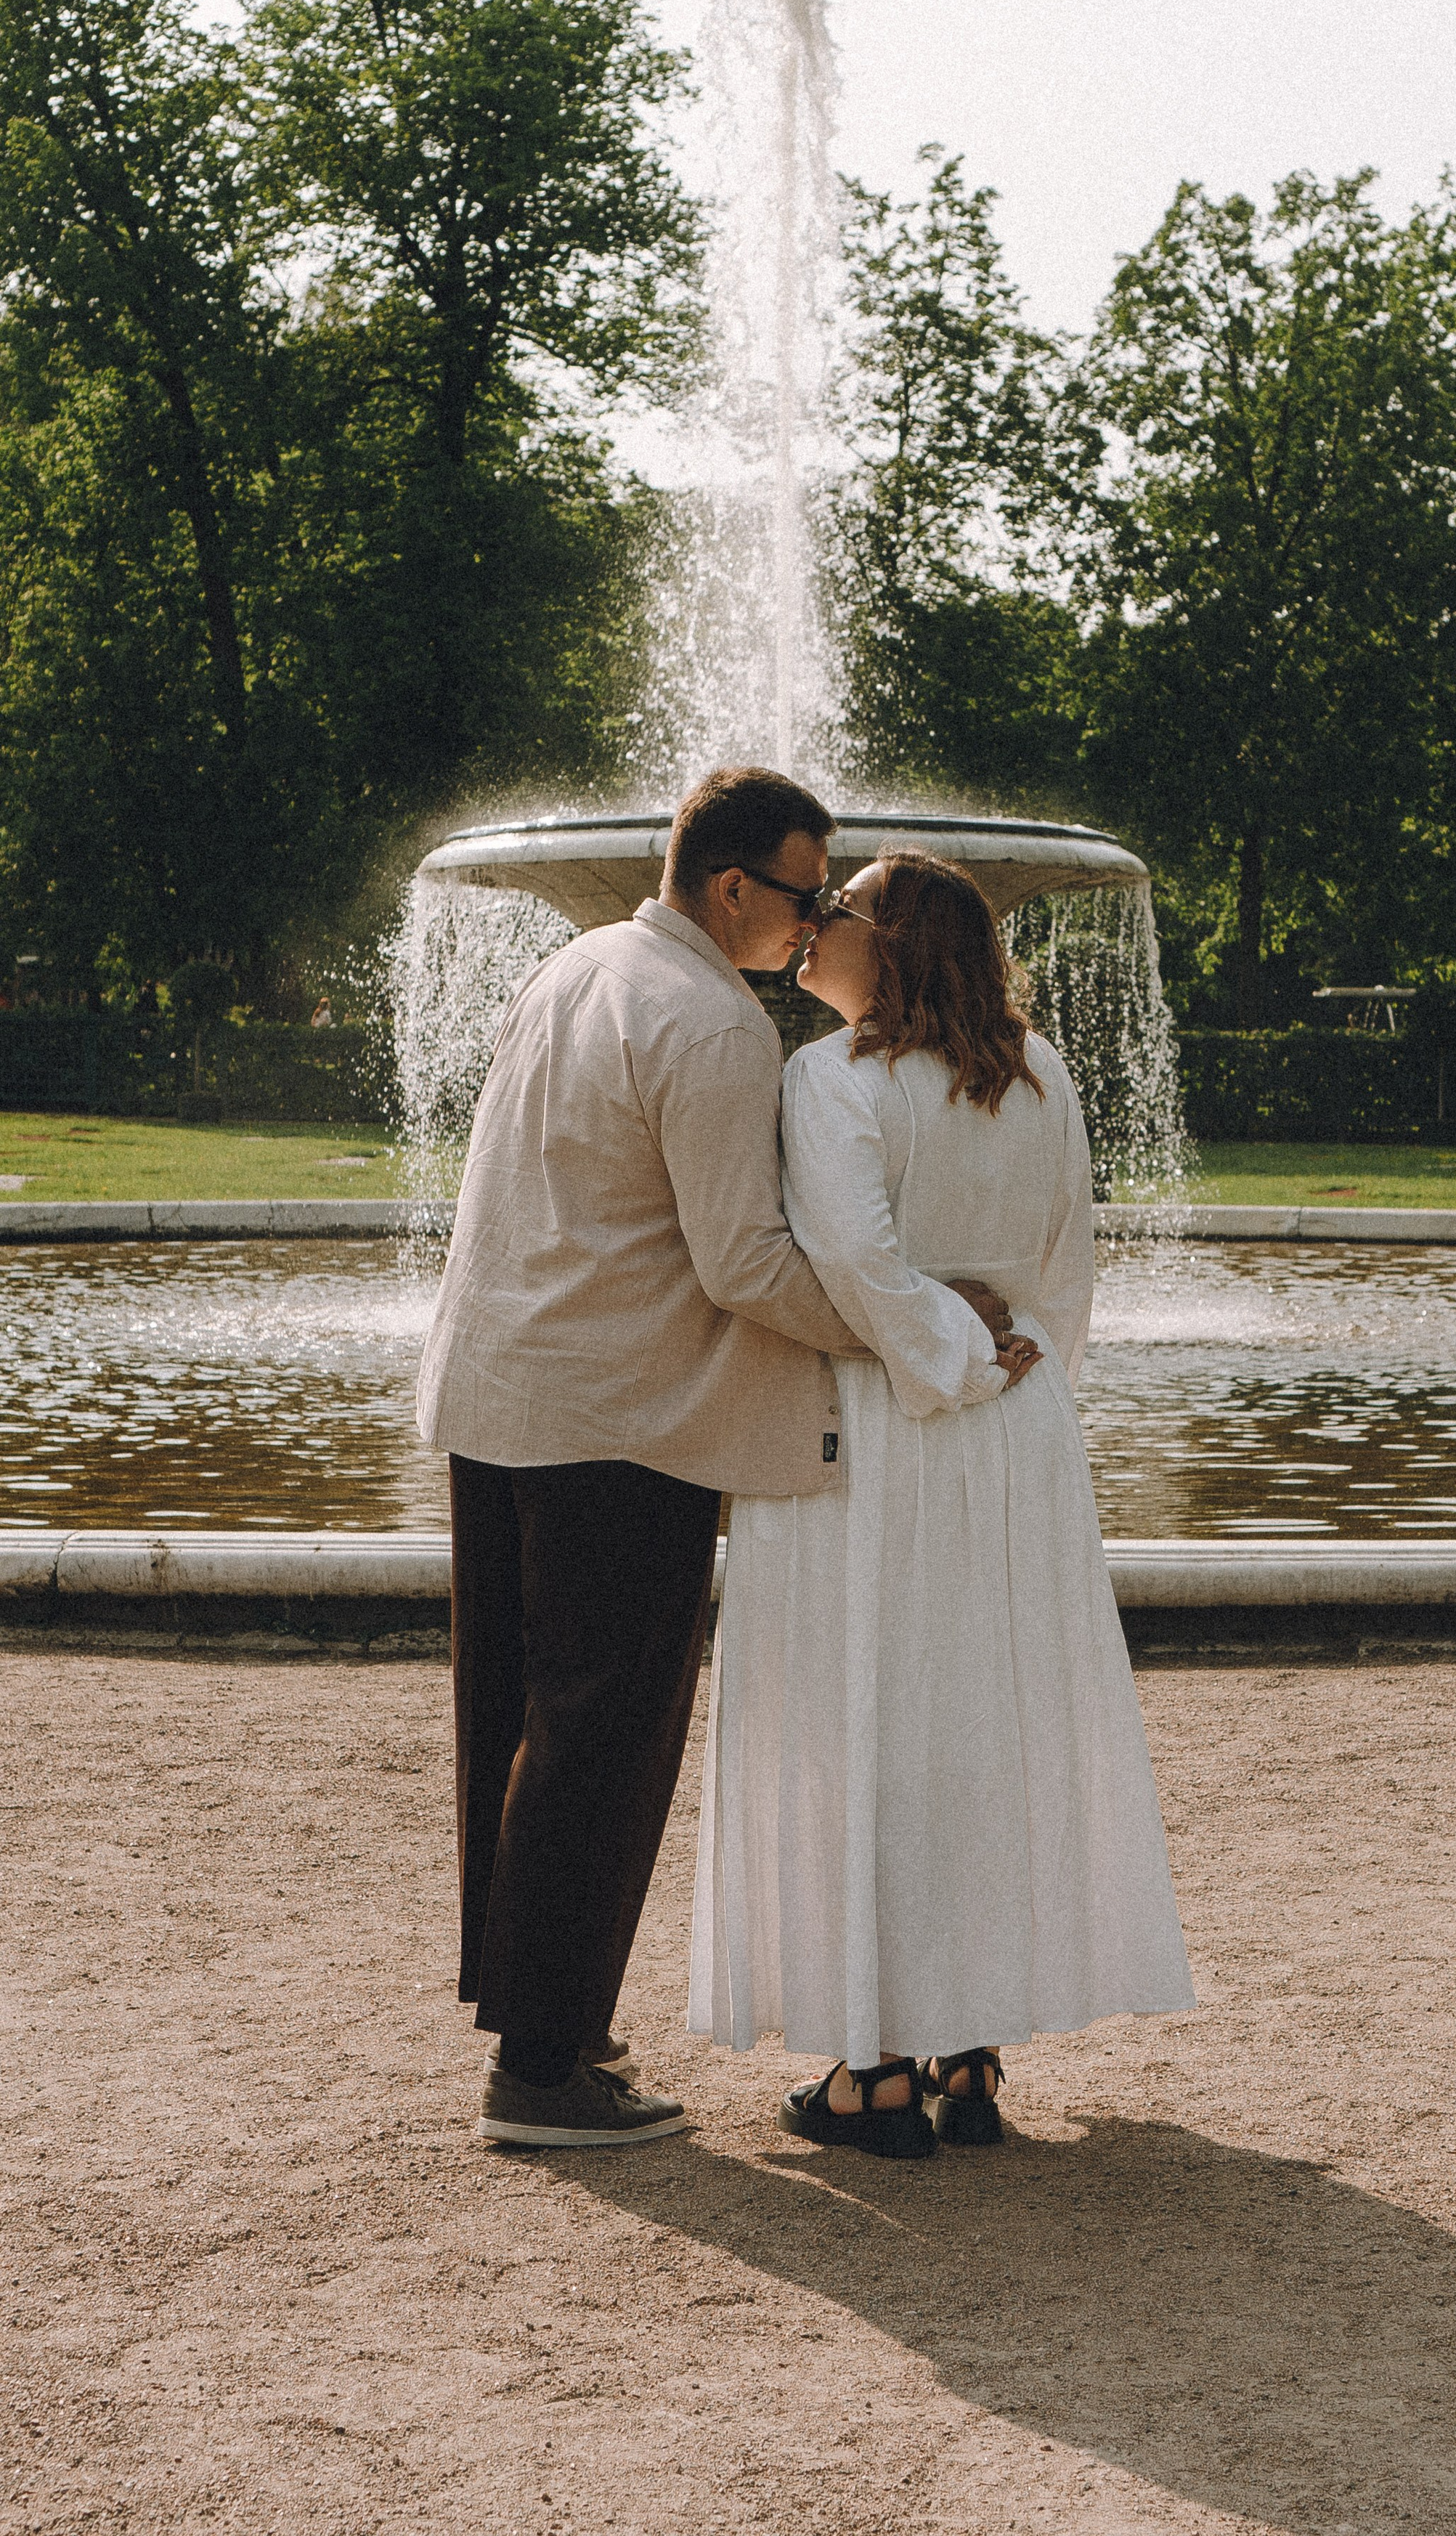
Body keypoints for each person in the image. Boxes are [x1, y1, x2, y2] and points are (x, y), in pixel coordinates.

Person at [415, 770, 1022, 2153]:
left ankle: (537, 2018)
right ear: (735, 887)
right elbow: (745, 1264)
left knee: (513, 1721)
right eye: (809, 894)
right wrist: (913, 1328)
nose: (817, 926)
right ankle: (545, 2069)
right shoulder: (716, 1026)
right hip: (621, 1417)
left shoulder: (579, 968)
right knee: (605, 1734)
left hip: (497, 1393)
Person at [689, 849, 1195, 2158]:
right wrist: (1020, 1374)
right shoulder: (1040, 1072)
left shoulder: (831, 1076)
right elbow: (1067, 1266)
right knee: (983, 1719)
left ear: (895, 942)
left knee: (863, 1714)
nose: (814, 929)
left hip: (880, 1421)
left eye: (838, 911)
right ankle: (969, 2046)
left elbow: (853, 1255)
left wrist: (947, 1359)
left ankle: (875, 2069)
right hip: (1014, 1430)